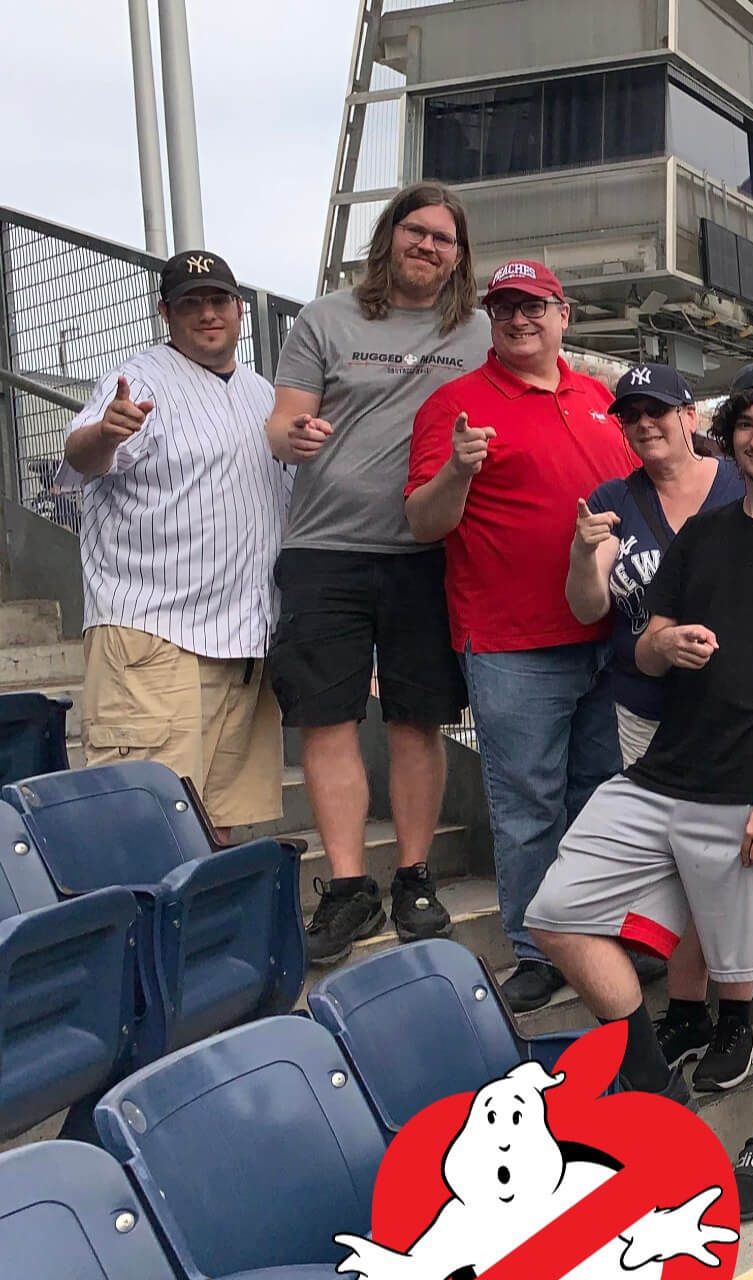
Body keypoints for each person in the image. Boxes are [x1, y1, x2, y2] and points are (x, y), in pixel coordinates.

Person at [527, 360, 753, 1218]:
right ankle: (650, 1080)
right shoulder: (707, 534)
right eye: (748, 424)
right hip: (663, 772)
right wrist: (663, 648)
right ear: (729, 432)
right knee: (557, 914)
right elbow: (641, 643)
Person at [405, 259, 639, 1011]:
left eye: (534, 306)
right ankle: (538, 949)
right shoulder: (456, 405)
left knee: (600, 798)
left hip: (608, 634)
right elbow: (423, 522)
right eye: (504, 308)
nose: (519, 319)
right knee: (527, 804)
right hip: (512, 643)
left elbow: (665, 484)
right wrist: (459, 473)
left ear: (563, 314)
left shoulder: (602, 399)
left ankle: (594, 936)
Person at [266, 183, 489, 965]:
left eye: (444, 238)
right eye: (415, 231)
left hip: (428, 554)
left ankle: (415, 875)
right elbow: (281, 420)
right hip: (324, 549)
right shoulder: (325, 318)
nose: (428, 247)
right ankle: (350, 886)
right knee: (327, 722)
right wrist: (293, 433)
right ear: (389, 237)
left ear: (460, 255)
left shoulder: (481, 332)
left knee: (416, 721)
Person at [56, 252, 293, 838]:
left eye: (218, 301)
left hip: (241, 645)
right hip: (153, 639)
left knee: (220, 833)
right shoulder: (140, 380)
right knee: (143, 832)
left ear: (239, 309)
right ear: (166, 312)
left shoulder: (262, 393)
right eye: (191, 303)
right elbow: (80, 457)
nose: (208, 314)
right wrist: (105, 434)